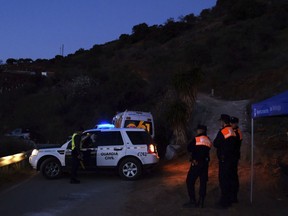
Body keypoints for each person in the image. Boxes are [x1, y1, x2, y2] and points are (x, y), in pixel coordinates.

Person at [183, 124, 212, 208]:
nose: (197, 131)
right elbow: (207, 149)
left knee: (189, 181)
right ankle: (201, 201)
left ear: (200, 130)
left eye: (197, 130)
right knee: (203, 182)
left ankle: (192, 200)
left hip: (196, 163)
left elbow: (189, 148)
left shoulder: (196, 139)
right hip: (205, 163)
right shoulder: (208, 139)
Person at [213, 114, 237, 208]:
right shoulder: (232, 130)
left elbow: (216, 143)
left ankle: (224, 202)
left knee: (223, 180)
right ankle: (230, 199)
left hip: (224, 159)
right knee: (230, 179)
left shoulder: (223, 131)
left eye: (220, 121)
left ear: (223, 122)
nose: (220, 123)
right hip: (231, 159)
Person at [230, 116, 243, 203]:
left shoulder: (237, 132)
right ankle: (233, 195)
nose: (231, 124)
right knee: (232, 176)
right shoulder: (235, 131)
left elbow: (235, 144)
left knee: (233, 176)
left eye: (232, 123)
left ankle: (234, 196)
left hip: (234, 156)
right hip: (233, 156)